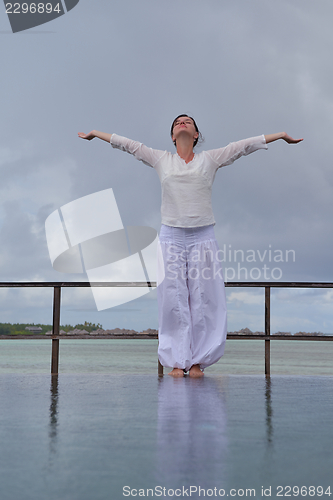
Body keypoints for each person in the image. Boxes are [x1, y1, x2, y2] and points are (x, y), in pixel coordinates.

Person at [78, 116, 302, 377]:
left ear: (196, 134)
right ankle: (177, 360)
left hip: (203, 236)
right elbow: (130, 145)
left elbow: (242, 146)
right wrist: (96, 133)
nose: (182, 123)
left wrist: (280, 135)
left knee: (205, 298)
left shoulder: (210, 159)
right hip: (171, 236)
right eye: (177, 122)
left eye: (188, 122)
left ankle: (197, 362)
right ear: (173, 136)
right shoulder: (161, 159)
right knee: (173, 299)